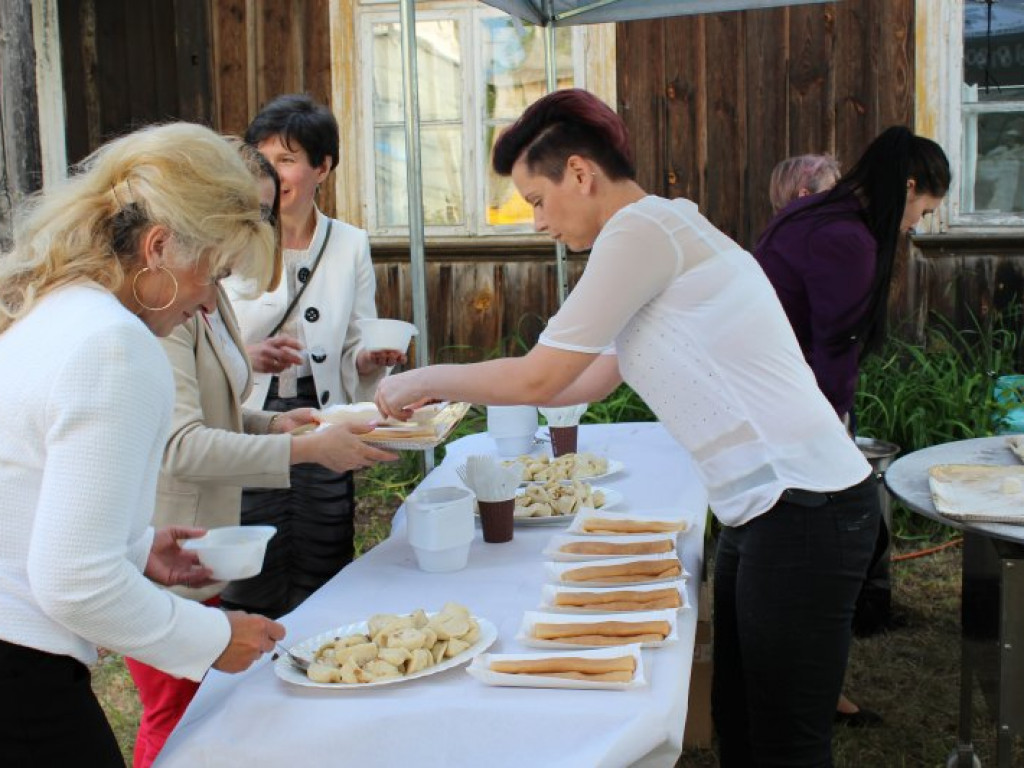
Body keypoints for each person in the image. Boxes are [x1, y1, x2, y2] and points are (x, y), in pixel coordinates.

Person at [374, 88, 880, 767]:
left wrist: (425, 378)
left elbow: (539, 378)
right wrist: (457, 394)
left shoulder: (641, 233)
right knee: (739, 720)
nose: (537, 223)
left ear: (580, 173)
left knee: (785, 743)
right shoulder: (659, 229)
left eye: (537, 201)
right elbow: (584, 379)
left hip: (806, 505)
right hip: (769, 508)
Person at [0, 122, 286, 767]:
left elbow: (27, 492)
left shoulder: (52, 307)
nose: (209, 302)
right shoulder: (116, 344)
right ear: (158, 248)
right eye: (213, 274)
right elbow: (74, 580)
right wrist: (212, 637)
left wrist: (136, 546)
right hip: (21, 673)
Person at [124, 145, 397, 768]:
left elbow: (215, 406)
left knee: (205, 711)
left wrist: (275, 422)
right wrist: (303, 449)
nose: (262, 229)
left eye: (267, 214)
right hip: (168, 543)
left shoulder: (210, 290)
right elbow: (180, 443)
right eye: (250, 212)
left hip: (201, 548)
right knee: (177, 716)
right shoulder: (161, 298)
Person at [755, 129, 950, 643]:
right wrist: (831, 430)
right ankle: (824, 639)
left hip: (764, 394)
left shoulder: (813, 214)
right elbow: (835, 347)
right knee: (848, 520)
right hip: (791, 405)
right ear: (909, 187)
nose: (916, 224)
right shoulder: (847, 237)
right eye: (924, 211)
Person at [222, 94, 404, 619]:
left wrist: (370, 359)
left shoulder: (348, 243)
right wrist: (247, 356)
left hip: (322, 417)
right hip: (249, 418)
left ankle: (321, 652)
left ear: (322, 167)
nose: (272, 173)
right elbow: (204, 333)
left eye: (287, 159)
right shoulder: (231, 240)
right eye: (263, 159)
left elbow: (355, 341)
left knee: (324, 556)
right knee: (251, 561)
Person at [764, 151, 886, 729]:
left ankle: (818, 686)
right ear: (802, 196)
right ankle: (817, 693)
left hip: (806, 411)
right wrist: (830, 419)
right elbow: (827, 342)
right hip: (801, 419)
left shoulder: (793, 241)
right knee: (812, 567)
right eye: (829, 191)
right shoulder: (814, 241)